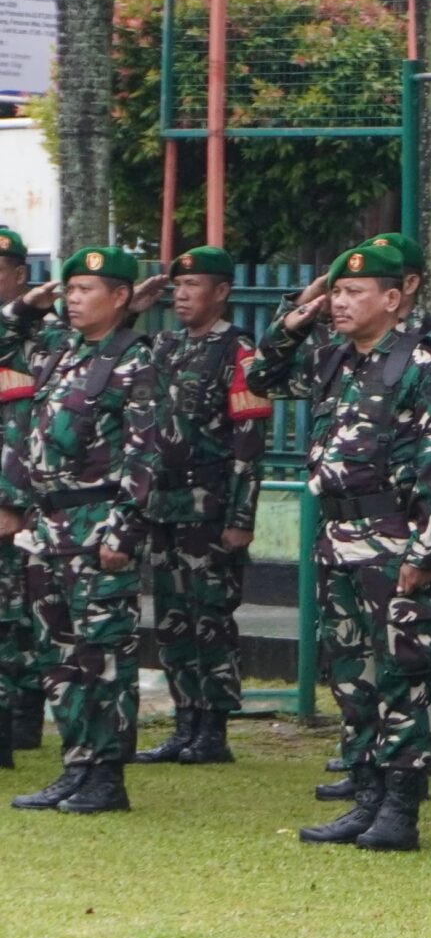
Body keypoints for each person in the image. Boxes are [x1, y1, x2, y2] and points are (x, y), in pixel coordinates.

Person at [248, 238, 431, 852]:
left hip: (393, 540)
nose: (340, 303)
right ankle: (365, 796)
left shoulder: (425, 361)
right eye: (337, 292)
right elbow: (262, 378)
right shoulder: (334, 359)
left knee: (404, 672)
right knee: (350, 673)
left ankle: (400, 807)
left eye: (354, 293)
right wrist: (297, 317)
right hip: (336, 536)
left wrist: (425, 550)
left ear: (394, 299)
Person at [0, 247, 159, 814]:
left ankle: (107, 775)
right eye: (68, 289)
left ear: (120, 297)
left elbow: (147, 455)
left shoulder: (137, 360)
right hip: (48, 526)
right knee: (58, 655)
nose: (71, 299)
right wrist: (22, 306)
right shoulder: (58, 350)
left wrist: (124, 531)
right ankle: (76, 765)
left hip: (98, 525)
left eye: (85, 289)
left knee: (104, 656)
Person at [132, 247, 269, 767]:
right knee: (170, 619)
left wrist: (240, 518)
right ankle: (184, 720)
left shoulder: (237, 351)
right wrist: (134, 308)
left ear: (221, 292)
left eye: (193, 287)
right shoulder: (163, 346)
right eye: (178, 288)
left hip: (211, 509)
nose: (182, 296)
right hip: (164, 508)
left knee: (210, 617)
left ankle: (213, 728)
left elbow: (249, 441)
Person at [0, 226, 52, 765]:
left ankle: (22, 717)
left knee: (21, 612)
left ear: (19, 276)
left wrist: (13, 498)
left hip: (27, 495)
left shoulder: (43, 335)